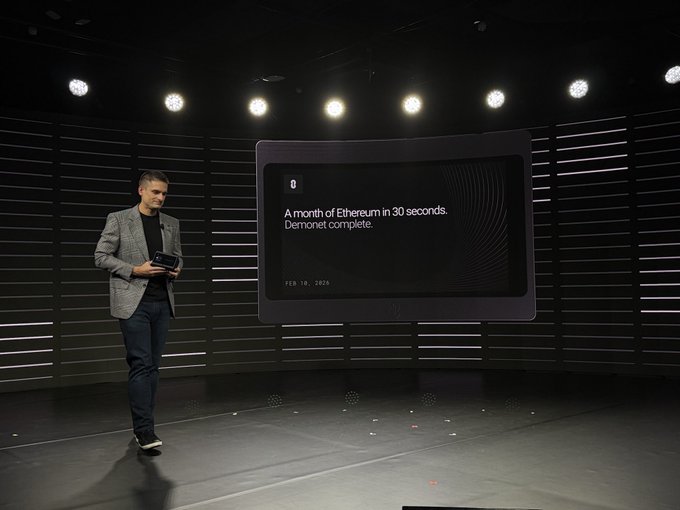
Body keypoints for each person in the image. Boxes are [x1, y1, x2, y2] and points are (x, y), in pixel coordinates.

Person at [95, 170, 183, 450]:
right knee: (141, 364)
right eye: (155, 192)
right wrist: (135, 269)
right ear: (141, 190)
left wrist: (177, 269)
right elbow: (101, 256)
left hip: (162, 302)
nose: (160, 197)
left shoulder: (171, 223)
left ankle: (146, 426)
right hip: (134, 303)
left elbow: (178, 256)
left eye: (164, 193)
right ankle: (144, 430)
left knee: (153, 367)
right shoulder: (119, 219)